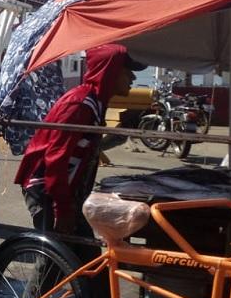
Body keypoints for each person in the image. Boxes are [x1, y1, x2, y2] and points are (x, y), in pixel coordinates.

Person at [15, 44, 144, 235]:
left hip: (67, 190)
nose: (133, 78)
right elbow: (56, 159)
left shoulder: (97, 102)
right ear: (110, 72)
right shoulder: (79, 104)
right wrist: (62, 210)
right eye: (127, 72)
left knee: (83, 255)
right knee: (56, 255)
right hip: (47, 187)